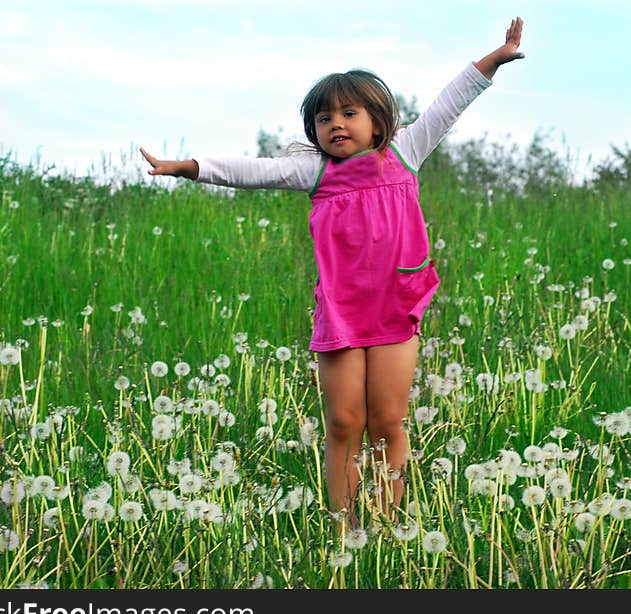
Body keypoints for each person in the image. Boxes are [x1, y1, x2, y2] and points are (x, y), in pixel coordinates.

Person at [141, 16, 525, 525]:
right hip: (341, 313)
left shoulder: (405, 153)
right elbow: (248, 171)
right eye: (324, 119)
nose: (336, 124)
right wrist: (185, 168)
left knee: (388, 420)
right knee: (344, 421)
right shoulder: (314, 171)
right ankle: (345, 530)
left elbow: (449, 103)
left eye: (349, 113)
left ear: (378, 121)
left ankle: (386, 528)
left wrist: (494, 59)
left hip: (396, 304)